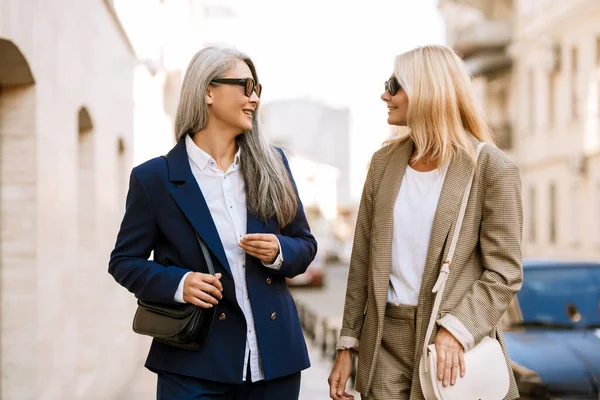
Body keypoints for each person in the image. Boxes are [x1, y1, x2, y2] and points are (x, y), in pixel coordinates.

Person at [109, 46, 317, 400]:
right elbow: (123, 262)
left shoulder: (274, 164)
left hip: (275, 362)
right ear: (208, 91)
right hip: (193, 364)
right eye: (244, 86)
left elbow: (305, 244)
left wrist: (279, 250)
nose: (253, 99)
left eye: (257, 90)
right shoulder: (154, 178)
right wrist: (180, 283)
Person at [327, 45, 523, 400]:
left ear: (426, 90)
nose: (384, 95)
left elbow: (504, 272)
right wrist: (347, 345)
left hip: (451, 344)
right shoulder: (383, 163)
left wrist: (458, 328)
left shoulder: (491, 168)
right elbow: (361, 263)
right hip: (383, 342)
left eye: (394, 84)